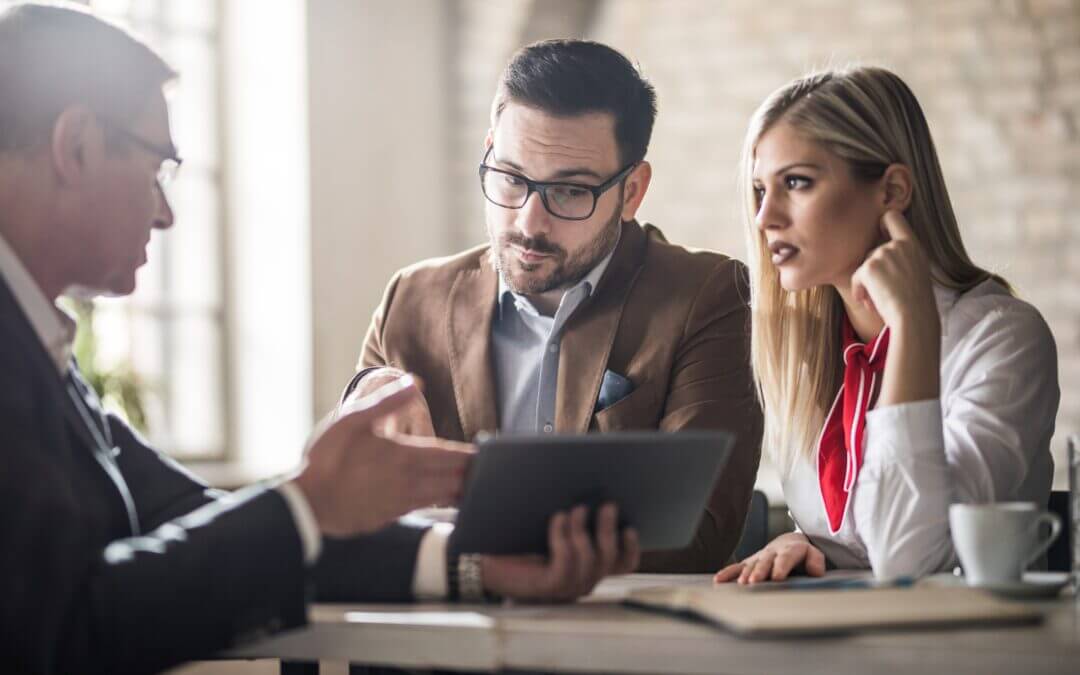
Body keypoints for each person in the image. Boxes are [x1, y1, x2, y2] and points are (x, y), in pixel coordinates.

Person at [0, 5, 639, 674]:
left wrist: (474, 564)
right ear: (74, 147)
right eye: (159, 166)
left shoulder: (41, 352)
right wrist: (309, 502)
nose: (166, 211)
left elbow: (189, 517)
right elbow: (62, 629)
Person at [345, 38, 763, 574]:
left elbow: (696, 531)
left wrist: (472, 538)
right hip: (437, 646)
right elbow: (351, 504)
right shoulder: (412, 297)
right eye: (512, 178)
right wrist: (360, 396)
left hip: (609, 647)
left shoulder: (711, 296)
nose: (528, 222)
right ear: (489, 149)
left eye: (569, 192)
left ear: (632, 191)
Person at [714, 66, 1059, 584]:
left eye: (797, 182)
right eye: (761, 189)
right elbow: (865, 537)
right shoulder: (809, 353)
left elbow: (908, 556)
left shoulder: (1002, 338)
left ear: (892, 190)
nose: (765, 217)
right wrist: (810, 543)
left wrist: (913, 324)